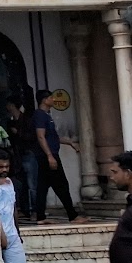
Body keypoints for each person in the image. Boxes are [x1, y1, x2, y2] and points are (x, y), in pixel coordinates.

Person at [33, 89, 88, 224]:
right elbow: (41, 137)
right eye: (51, 98)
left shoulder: (47, 116)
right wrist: (49, 156)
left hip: (48, 155)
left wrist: (70, 142)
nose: (53, 100)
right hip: (48, 155)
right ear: (44, 100)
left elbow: (53, 137)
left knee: (43, 186)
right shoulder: (40, 115)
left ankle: (40, 217)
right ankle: (72, 215)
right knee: (61, 185)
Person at [1, 98, 39, 220]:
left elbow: (32, 137)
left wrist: (18, 133)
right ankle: (24, 209)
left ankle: (35, 210)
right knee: (21, 184)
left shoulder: (27, 120)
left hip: (28, 154)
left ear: (13, 105)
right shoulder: (10, 121)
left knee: (32, 184)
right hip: (17, 156)